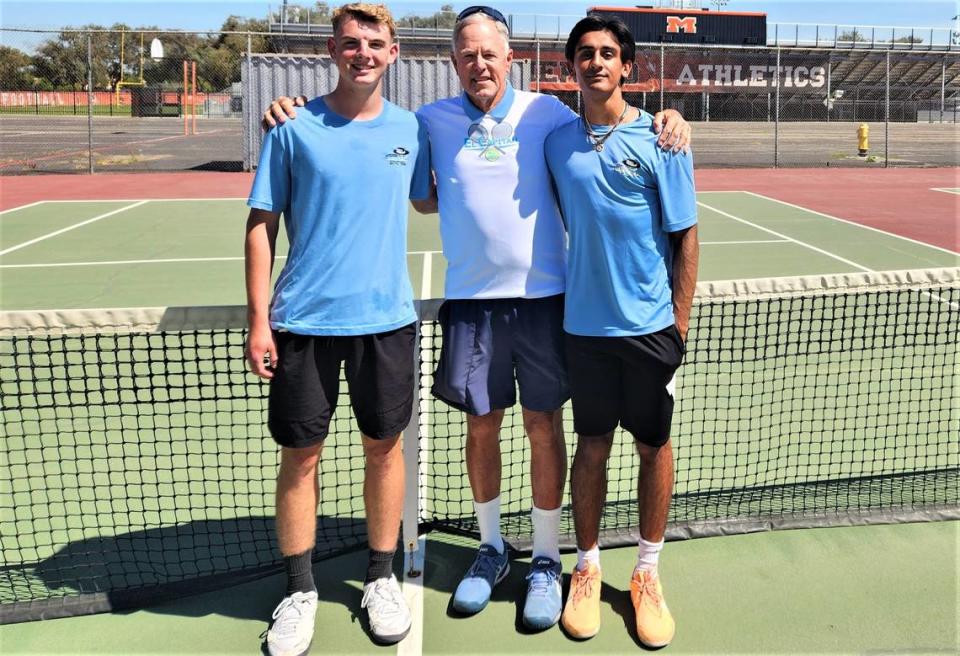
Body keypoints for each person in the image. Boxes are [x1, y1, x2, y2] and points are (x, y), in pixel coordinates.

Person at [262, 5, 692, 632]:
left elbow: (615, 121)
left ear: (510, 58)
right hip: (470, 307)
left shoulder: (549, 115)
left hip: (547, 305)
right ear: (453, 61)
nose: (479, 63)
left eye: (490, 53)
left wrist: (670, 118)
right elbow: (422, 194)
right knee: (482, 429)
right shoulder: (428, 122)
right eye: (467, 54)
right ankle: (491, 548)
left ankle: (547, 557)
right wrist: (290, 105)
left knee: (544, 428)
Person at [244, 4, 431, 655]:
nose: (362, 52)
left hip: (386, 322)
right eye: (350, 42)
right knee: (301, 458)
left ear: (393, 52)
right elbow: (261, 225)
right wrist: (258, 319)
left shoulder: (411, 129)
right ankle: (298, 591)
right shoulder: (291, 128)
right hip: (302, 325)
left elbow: (434, 194)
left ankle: (380, 578)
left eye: (373, 42)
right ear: (332, 49)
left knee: (384, 449)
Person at [544, 15, 699, 648]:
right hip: (582, 330)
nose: (597, 62)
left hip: (648, 330)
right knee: (591, 448)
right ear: (571, 66)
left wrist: (678, 327)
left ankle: (646, 572)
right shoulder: (555, 141)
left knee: (653, 447)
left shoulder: (663, 140)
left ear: (627, 66)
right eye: (585, 53)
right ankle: (586, 568)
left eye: (609, 53)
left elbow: (685, 237)